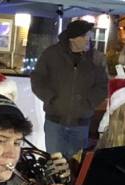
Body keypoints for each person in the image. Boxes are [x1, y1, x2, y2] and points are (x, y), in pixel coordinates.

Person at [31, 20, 108, 158]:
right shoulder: (51, 54)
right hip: (55, 122)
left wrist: (89, 102)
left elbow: (103, 86)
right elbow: (37, 79)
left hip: (81, 124)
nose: (88, 39)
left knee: (75, 166)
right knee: (55, 164)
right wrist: (51, 98)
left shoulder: (95, 58)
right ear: (73, 38)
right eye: (84, 36)